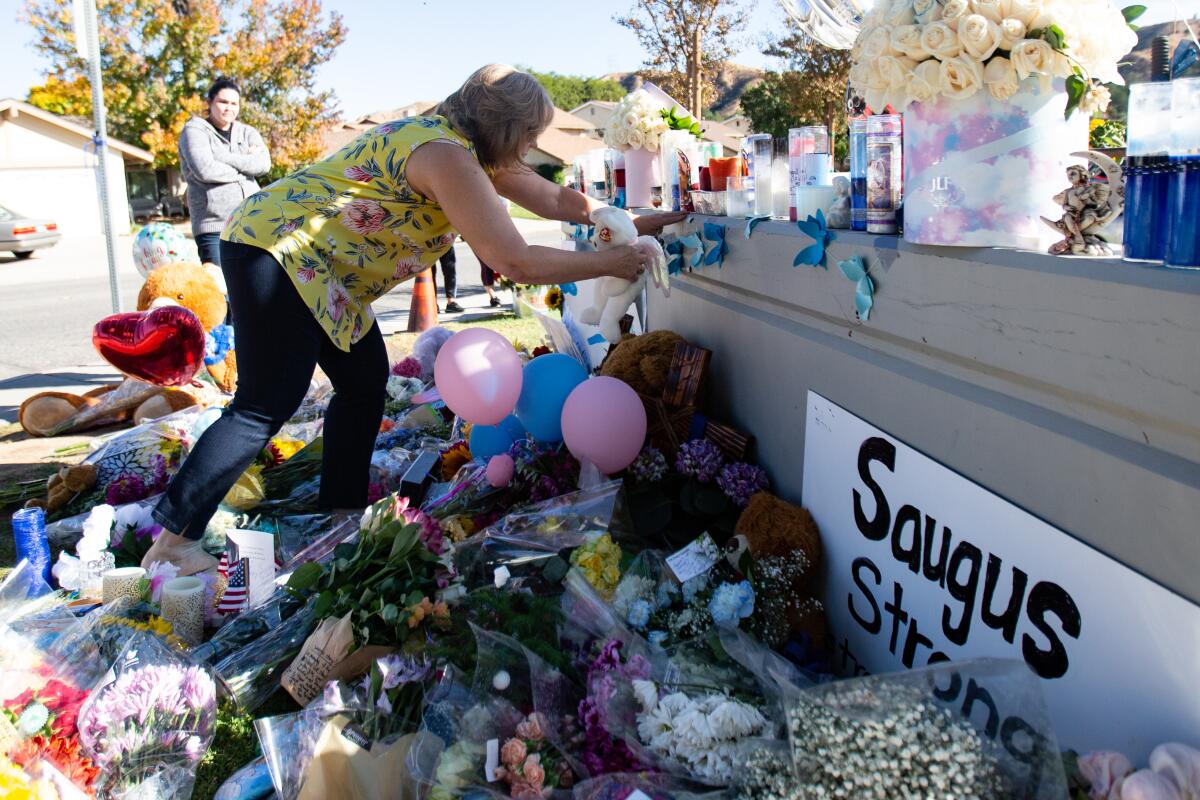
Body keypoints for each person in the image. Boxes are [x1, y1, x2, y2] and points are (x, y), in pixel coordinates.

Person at [141, 65, 684, 574]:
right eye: (528, 135)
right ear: (505, 128)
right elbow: (512, 260)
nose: (530, 148)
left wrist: (622, 220)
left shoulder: (466, 148)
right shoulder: (447, 156)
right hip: (279, 249)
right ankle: (172, 543)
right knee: (266, 402)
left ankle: (342, 517)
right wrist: (611, 261)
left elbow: (548, 196)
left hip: (321, 270)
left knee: (362, 382)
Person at [178, 77, 271, 266]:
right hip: (213, 226)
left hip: (252, 221)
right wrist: (246, 167)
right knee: (221, 290)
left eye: (234, 103)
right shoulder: (194, 131)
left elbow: (263, 164)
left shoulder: (247, 132)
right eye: (223, 102)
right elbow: (204, 169)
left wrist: (222, 157)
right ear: (210, 103)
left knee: (253, 289)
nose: (229, 108)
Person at [438, 240, 464, 314]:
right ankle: (432, 304)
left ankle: (451, 302)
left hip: (445, 240)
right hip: (427, 241)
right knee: (429, 274)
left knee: (450, 270)